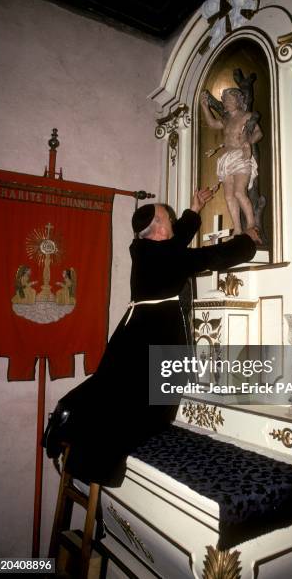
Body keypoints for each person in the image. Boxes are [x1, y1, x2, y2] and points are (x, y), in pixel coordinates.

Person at [48, 189, 258, 486]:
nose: (172, 220)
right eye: (167, 217)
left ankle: (66, 418)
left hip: (132, 331)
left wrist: (195, 209)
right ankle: (96, 457)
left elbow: (174, 240)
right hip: (155, 333)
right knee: (147, 408)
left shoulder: (145, 248)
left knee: (109, 386)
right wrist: (248, 239)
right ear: (159, 226)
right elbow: (216, 256)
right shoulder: (167, 255)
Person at [200, 88, 263, 240]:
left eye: (228, 100)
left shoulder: (246, 116)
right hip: (227, 159)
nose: (225, 103)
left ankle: (251, 226)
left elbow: (258, 133)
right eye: (224, 100)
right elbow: (213, 124)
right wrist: (204, 107)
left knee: (239, 192)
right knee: (229, 196)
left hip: (241, 156)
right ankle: (238, 229)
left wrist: (248, 141)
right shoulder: (226, 118)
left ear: (237, 101)